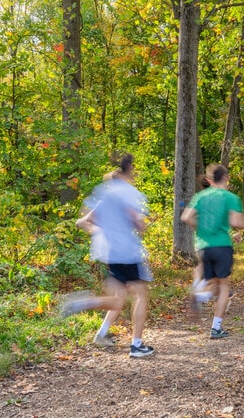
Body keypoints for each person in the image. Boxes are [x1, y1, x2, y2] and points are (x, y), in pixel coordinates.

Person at [62, 153, 154, 358]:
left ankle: (87, 306)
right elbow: (138, 223)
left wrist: (100, 232)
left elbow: (83, 221)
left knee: (119, 298)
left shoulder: (104, 193)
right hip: (128, 252)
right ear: (129, 168)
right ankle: (137, 345)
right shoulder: (128, 193)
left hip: (111, 253)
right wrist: (141, 224)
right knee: (140, 295)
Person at [181, 164, 244, 339]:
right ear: (226, 177)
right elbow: (236, 223)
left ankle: (200, 297)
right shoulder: (231, 197)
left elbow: (186, 217)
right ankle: (216, 328)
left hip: (202, 246)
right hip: (222, 245)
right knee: (224, 286)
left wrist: (200, 228)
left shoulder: (200, 196)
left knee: (213, 284)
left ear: (209, 179)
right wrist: (242, 224)